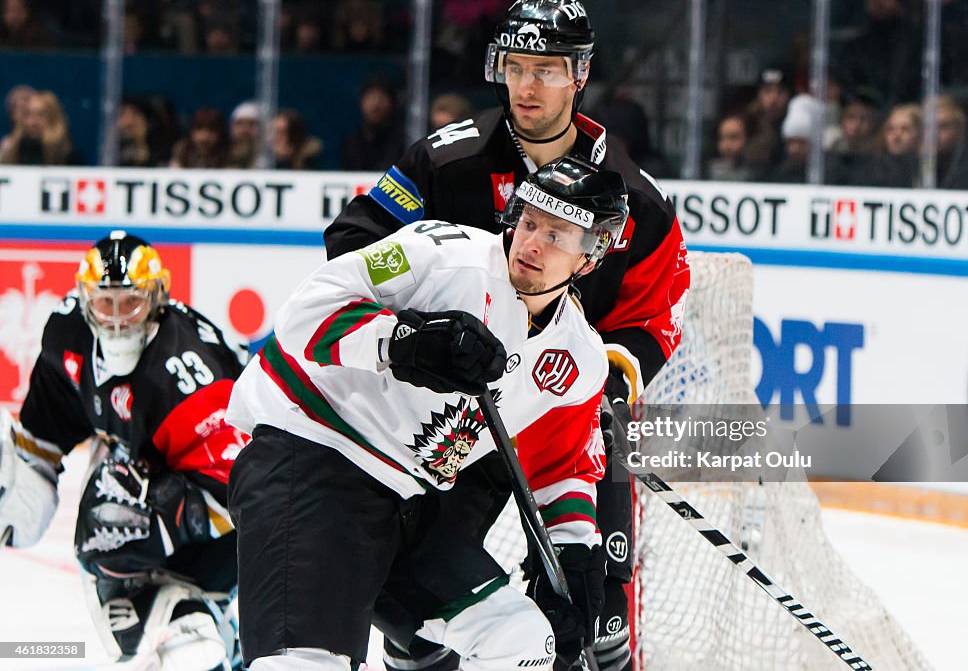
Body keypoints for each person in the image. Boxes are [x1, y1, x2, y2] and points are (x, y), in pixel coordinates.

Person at [323, 0, 689, 671]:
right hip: (455, 420)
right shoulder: (447, 161)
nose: (527, 85)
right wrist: (424, 336)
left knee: (596, 616)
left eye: (547, 69)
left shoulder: (633, 198)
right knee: (419, 617)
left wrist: (599, 373)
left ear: (580, 74)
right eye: (516, 66)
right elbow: (352, 241)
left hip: (562, 422)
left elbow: (654, 317)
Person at [227, 157, 625, 670]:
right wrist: (403, 341)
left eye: (557, 235)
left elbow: (561, 465)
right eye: (528, 221)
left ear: (590, 257)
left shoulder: (579, 357)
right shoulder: (443, 254)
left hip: (410, 506)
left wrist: (572, 555)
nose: (532, 243)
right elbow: (304, 315)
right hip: (314, 457)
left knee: (522, 642)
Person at [0, 231, 248, 669]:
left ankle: (211, 626)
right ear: (83, 299)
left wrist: (161, 521)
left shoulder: (186, 371)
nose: (116, 319)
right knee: (133, 624)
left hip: (235, 519)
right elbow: (44, 433)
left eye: (129, 302)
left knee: (190, 651)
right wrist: (17, 491)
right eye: (104, 302)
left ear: (156, 299)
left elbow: (245, 489)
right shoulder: (68, 336)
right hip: (157, 480)